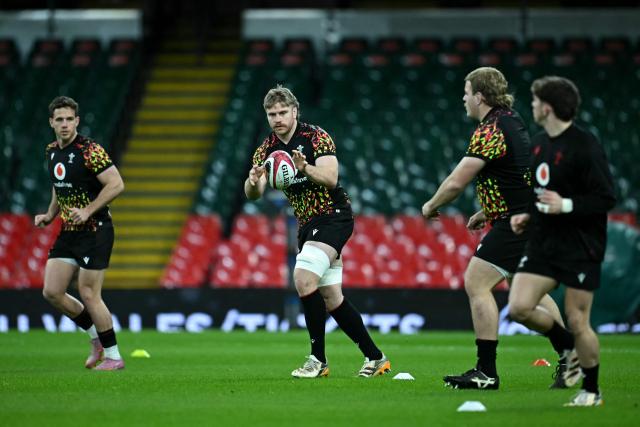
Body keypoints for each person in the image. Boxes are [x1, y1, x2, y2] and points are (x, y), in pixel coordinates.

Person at [421, 67, 569, 390]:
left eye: (466, 91)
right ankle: (570, 355)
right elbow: (515, 177)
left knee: (476, 282)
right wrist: (486, 210)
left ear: (480, 96)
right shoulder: (511, 121)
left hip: (517, 223)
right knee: (531, 297)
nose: (463, 97)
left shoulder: (491, 130)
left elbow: (458, 180)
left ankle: (486, 371)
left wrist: (432, 205)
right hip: (523, 217)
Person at [245, 85, 390, 378]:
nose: (278, 118)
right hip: (307, 223)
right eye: (272, 114)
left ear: (295, 111)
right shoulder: (266, 149)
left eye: (283, 112)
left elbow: (331, 177)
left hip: (333, 215)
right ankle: (376, 358)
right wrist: (252, 180)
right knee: (331, 297)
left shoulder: (316, 137)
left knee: (302, 277)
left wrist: (305, 168)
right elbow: (255, 194)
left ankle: (317, 360)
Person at [508, 76, 615, 406]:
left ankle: (592, 391)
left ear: (548, 107)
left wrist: (566, 205)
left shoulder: (585, 145)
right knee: (519, 307)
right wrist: (527, 213)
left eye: (535, 100)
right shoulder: (540, 143)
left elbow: (606, 197)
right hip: (544, 243)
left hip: (581, 246)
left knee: (579, 319)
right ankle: (567, 344)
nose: (533, 105)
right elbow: (537, 192)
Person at [34, 96, 125, 371]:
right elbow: (58, 184)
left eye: (69, 119)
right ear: (51, 122)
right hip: (69, 231)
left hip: (95, 230)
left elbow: (116, 184)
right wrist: (51, 214)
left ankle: (113, 356)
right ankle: (96, 339)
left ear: (77, 121)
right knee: (52, 292)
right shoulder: (51, 151)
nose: (64, 124)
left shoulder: (90, 150)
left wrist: (87, 210)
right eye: (59, 119)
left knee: (88, 293)